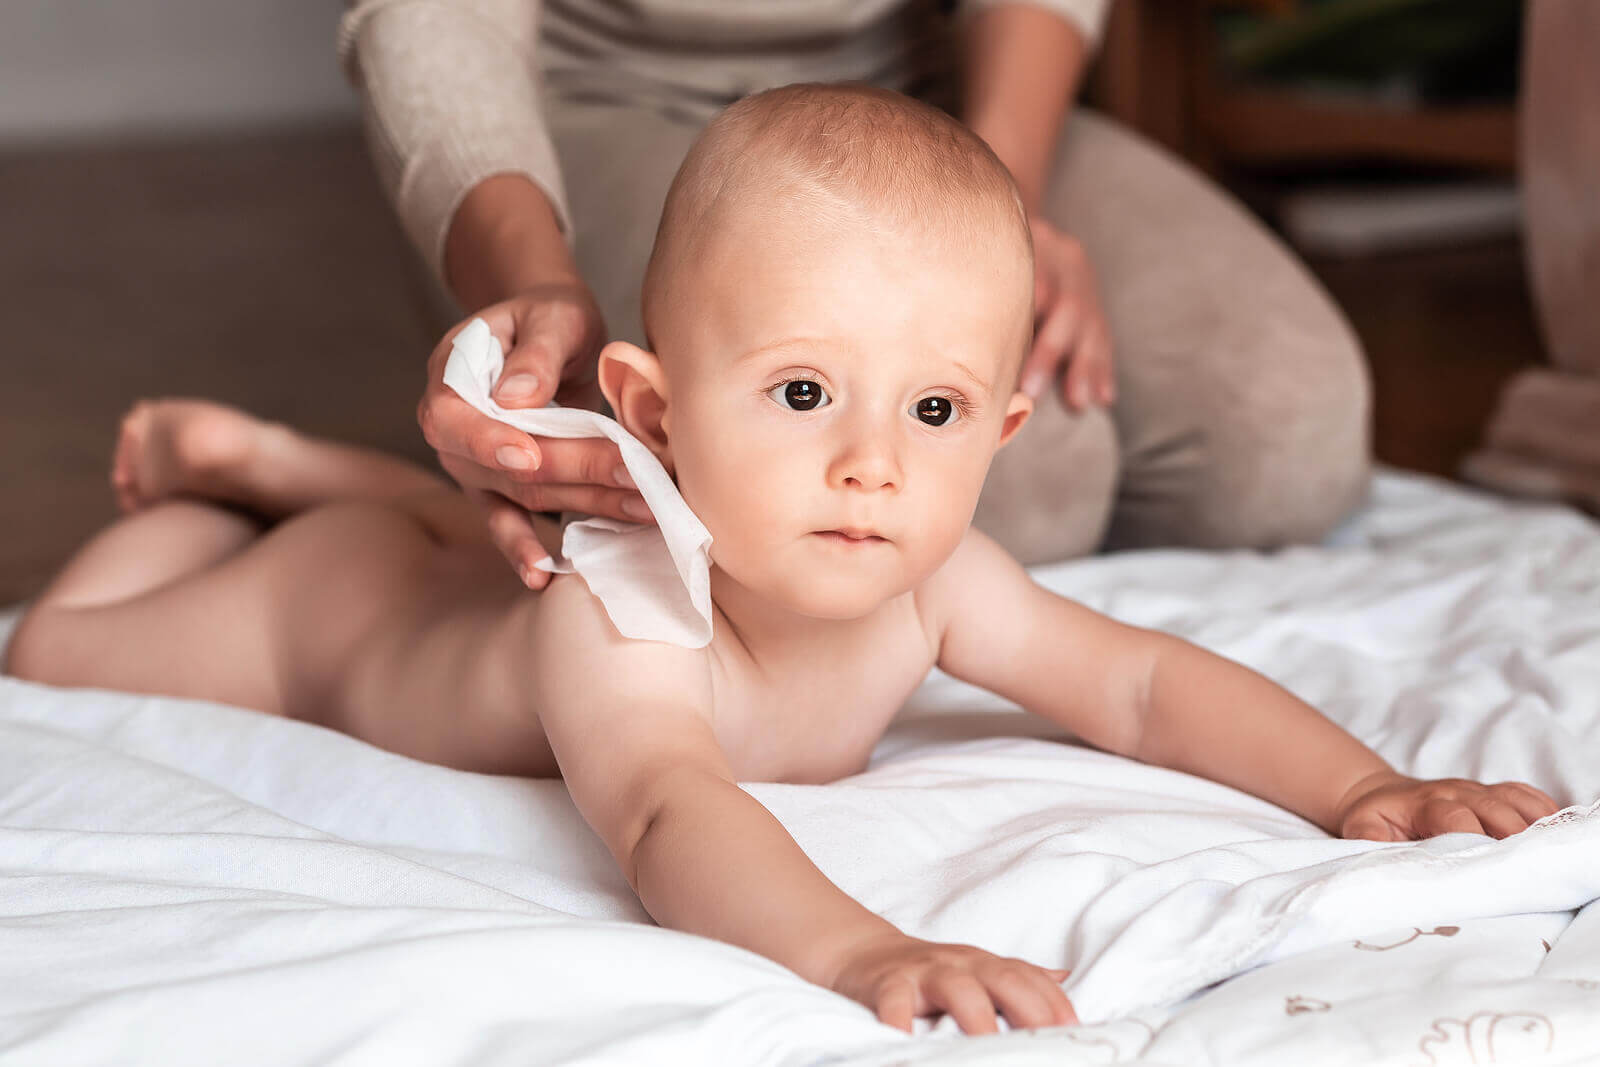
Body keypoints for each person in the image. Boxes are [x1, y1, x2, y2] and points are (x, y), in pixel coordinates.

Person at [5, 87, 1552, 1038]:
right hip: (337, 617)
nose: (874, 462)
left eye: (935, 409)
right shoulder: (622, 629)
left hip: (516, 549)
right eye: (806, 393)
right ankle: (249, 492)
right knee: (58, 655)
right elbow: (676, 807)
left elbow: (1139, 684)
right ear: (657, 409)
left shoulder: (924, 570)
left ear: (1001, 426)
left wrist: (1360, 790)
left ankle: (274, 457)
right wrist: (859, 946)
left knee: (496, 536)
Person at [337, 0, 1373, 587]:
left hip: (934, 85)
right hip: (592, 96)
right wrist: (526, 274)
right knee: (1020, 486)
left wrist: (992, 210)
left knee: (1281, 438)